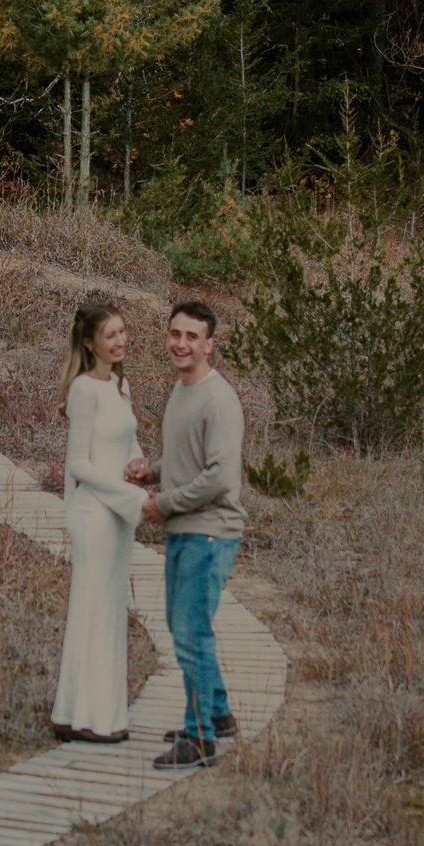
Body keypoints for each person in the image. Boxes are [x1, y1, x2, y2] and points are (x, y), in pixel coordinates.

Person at [127, 300, 246, 768]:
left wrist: (164, 504)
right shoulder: (182, 389)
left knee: (191, 633)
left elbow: (219, 477)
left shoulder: (219, 400)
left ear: (209, 345)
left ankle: (199, 740)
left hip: (209, 532)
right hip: (186, 528)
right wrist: (152, 472)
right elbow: (186, 460)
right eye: (175, 334)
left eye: (192, 337)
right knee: (184, 627)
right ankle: (217, 715)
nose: (180, 343)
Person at [51, 302, 162, 744]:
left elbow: (128, 443)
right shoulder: (84, 390)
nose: (120, 341)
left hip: (119, 513)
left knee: (112, 606)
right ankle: (84, 717)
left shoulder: (120, 384)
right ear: (89, 342)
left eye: (122, 332)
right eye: (110, 335)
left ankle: (94, 714)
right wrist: (131, 495)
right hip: (94, 512)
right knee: (92, 607)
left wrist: (139, 465)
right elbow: (80, 463)